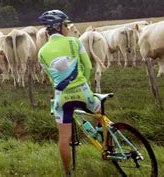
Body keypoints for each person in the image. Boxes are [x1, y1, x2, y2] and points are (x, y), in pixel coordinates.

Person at [37, 10, 101, 176]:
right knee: (99, 109)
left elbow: (52, 78)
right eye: (65, 24)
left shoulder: (41, 52)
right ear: (59, 27)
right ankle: (104, 140)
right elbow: (87, 67)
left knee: (64, 139)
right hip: (83, 92)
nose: (68, 27)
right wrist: (84, 84)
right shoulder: (74, 41)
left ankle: (67, 173)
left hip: (62, 98)